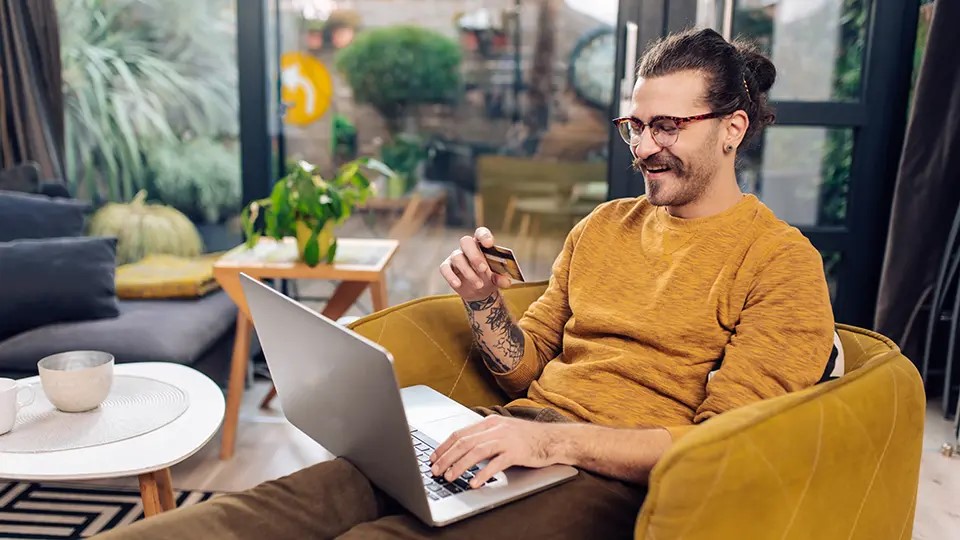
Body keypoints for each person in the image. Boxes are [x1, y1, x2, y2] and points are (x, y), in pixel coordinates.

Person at [96, 27, 834, 540]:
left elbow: (724, 448)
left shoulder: (780, 263)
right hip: (511, 440)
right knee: (267, 511)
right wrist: (484, 302)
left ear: (731, 128)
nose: (644, 148)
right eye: (633, 127)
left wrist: (551, 446)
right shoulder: (604, 227)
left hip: (602, 486)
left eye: (666, 126)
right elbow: (527, 364)